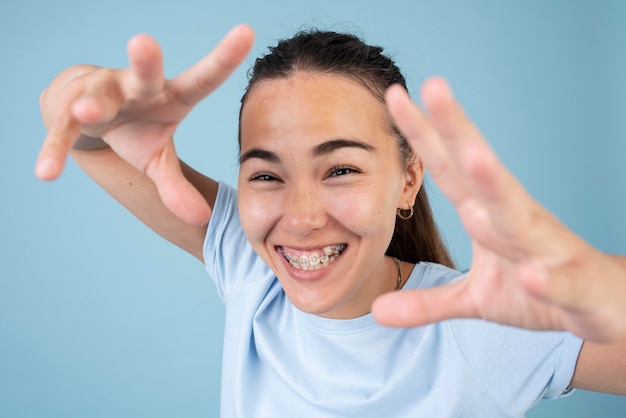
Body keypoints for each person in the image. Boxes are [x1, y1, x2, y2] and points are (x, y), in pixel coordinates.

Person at [35, 24, 626, 416]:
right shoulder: (250, 268)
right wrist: (92, 101)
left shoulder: (485, 325)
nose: (301, 217)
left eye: (340, 170)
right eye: (266, 175)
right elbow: (83, 136)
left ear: (408, 178)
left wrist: (589, 290)